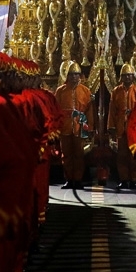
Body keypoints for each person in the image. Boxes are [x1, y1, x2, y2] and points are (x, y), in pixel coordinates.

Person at [54, 61, 94, 189]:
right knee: (66, 155)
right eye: (71, 74)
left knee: (79, 155)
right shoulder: (60, 91)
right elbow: (56, 110)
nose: (74, 77)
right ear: (67, 75)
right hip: (65, 126)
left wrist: (90, 127)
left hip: (80, 127)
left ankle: (78, 179)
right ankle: (69, 179)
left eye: (76, 74)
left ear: (80, 76)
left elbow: (89, 111)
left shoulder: (86, 91)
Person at [109, 63, 136, 189]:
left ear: (132, 76)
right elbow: (112, 111)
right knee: (122, 155)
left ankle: (133, 180)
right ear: (121, 77)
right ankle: (124, 179)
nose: (127, 78)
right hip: (120, 127)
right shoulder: (116, 91)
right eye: (125, 75)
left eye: (129, 75)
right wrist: (111, 127)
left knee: (133, 155)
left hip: (134, 127)